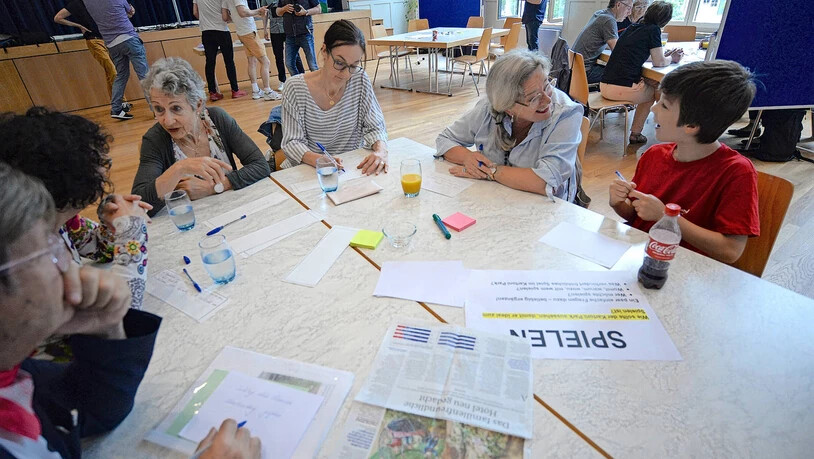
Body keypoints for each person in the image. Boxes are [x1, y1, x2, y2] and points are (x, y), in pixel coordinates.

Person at [0, 164, 260, 459]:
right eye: (48, 251)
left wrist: (107, 328)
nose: (66, 265)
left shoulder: (17, 374)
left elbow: (97, 412)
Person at [0, 107, 152, 311]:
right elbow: (118, 311)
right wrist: (132, 232)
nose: (104, 169)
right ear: (68, 175)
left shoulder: (62, 222)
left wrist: (110, 223)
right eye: (97, 162)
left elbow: (102, 251)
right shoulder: (26, 251)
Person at [609, 60, 760, 263]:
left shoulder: (736, 173)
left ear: (691, 125)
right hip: (640, 260)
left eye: (664, 105)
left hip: (685, 273)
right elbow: (639, 216)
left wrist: (667, 217)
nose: (653, 109)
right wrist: (619, 203)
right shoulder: (654, 155)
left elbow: (731, 251)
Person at [435, 50, 582, 201]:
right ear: (508, 107)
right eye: (534, 98)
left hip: (547, 207)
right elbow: (445, 139)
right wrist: (468, 157)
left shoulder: (566, 113)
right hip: (496, 197)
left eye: (547, 86)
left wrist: (491, 171)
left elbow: (544, 181)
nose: (547, 100)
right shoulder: (489, 107)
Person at [132, 58, 271, 216]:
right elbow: (139, 205)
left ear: (198, 105)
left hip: (233, 211)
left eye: (176, 108)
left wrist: (213, 187)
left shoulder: (217, 119)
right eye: (159, 109)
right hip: (188, 221)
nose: (167, 120)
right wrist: (179, 168)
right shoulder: (155, 139)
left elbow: (260, 165)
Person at [280, 20, 388, 174]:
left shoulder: (359, 79)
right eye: (339, 62)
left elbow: (376, 126)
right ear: (324, 51)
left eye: (353, 65)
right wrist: (319, 160)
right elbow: (292, 143)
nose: (345, 74)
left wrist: (380, 151)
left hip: (348, 169)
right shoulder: (295, 88)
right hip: (307, 171)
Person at [601, 1, 681, 145]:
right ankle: (663, 130)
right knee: (657, 90)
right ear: (664, 20)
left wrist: (664, 56)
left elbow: (641, 54)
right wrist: (672, 58)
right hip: (620, 88)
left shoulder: (633, 27)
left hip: (604, 85)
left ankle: (659, 128)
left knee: (651, 84)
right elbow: (659, 63)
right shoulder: (653, 30)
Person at [53, 0, 130, 112]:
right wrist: (78, 26)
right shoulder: (76, 3)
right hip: (94, 40)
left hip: (107, 38)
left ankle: (116, 103)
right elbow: (58, 18)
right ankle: (121, 102)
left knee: (110, 72)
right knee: (113, 70)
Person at [83, 0, 150, 120]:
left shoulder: (87, 2)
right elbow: (130, 12)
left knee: (121, 76)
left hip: (111, 44)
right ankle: (156, 109)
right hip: (128, 38)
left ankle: (116, 109)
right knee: (144, 75)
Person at [224, 0, 282, 101]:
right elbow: (243, 13)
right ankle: (268, 91)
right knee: (265, 62)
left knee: (252, 61)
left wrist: (253, 14)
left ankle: (256, 91)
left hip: (241, 31)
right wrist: (258, 11)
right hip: (248, 32)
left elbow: (226, 17)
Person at [194, 0, 248, 101]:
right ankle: (235, 90)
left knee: (210, 62)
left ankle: (213, 92)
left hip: (206, 32)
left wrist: (206, 21)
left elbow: (195, 12)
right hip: (222, 30)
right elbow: (225, 16)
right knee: (229, 62)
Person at [572, 0, 633, 84]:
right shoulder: (609, 20)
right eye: (629, 8)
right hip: (585, 72)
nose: (629, 13)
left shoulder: (600, 13)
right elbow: (618, 52)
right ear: (618, 5)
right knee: (626, 75)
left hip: (575, 68)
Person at [262, 0, 305, 91]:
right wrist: (265, 28)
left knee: (295, 55)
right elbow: (265, 13)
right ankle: (282, 80)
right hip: (274, 29)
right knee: (278, 56)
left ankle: (302, 76)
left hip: (287, 27)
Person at [272, 0, 322, 76]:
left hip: (305, 33)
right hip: (290, 35)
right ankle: (299, 83)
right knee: (289, 64)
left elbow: (319, 9)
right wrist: (284, 9)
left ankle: (318, 86)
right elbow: (277, 12)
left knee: (312, 65)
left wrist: (305, 12)